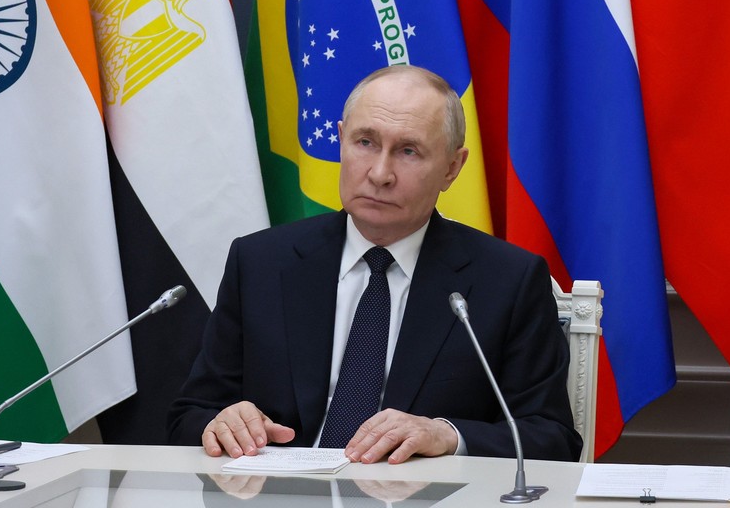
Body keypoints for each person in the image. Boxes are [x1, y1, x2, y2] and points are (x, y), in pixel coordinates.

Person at [168, 65, 581, 463]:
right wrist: (222, 423)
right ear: (341, 141)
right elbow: (190, 415)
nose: (380, 174)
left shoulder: (507, 280)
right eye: (365, 143)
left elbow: (552, 438)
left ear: (452, 168)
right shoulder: (260, 262)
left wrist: (446, 435)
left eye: (408, 151)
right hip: (277, 492)